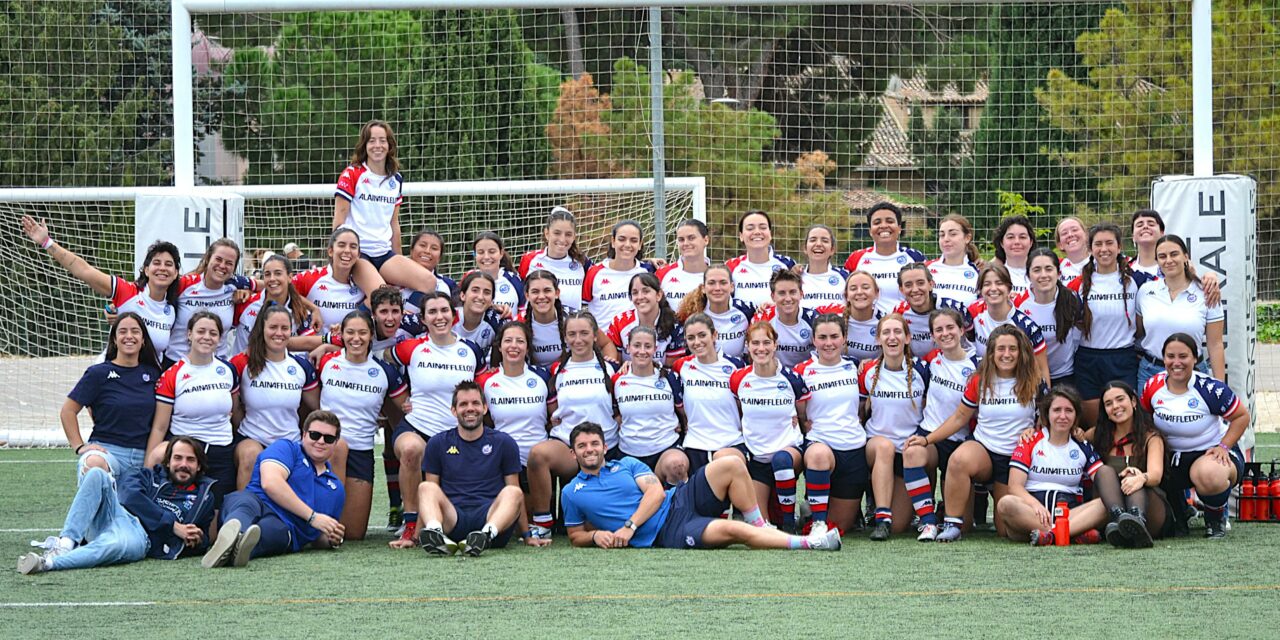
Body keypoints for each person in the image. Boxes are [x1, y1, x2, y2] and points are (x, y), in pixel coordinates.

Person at [560, 423, 842, 551]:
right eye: (582, 446)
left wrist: (629, 526)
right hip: (668, 533)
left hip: (679, 498)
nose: (590, 450)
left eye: (594, 443)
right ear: (573, 453)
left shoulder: (626, 465)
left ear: (604, 446)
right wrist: (595, 535)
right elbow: (575, 535)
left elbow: (656, 492)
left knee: (730, 462)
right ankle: (810, 543)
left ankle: (759, 524)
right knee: (733, 530)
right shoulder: (571, 492)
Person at [912, 325, 1047, 542]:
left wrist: (1035, 430)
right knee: (958, 459)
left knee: (1006, 531)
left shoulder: (1034, 381)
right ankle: (952, 523)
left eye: (1013, 349)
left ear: (1021, 352)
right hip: (983, 449)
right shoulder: (980, 379)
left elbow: (1048, 420)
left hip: (1013, 460)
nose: (1006, 354)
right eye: (1001, 349)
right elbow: (959, 417)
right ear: (991, 352)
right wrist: (927, 439)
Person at [18, 437, 216, 575]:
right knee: (97, 474)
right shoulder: (147, 475)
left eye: (190, 460)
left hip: (140, 537)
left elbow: (204, 537)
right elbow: (128, 497)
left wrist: (197, 540)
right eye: (178, 458)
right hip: (116, 514)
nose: (183, 464)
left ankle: (47, 563)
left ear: (199, 466)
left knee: (113, 545)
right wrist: (172, 525)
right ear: (168, 462)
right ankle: (65, 544)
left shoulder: (203, 497)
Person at [388, 291, 485, 547]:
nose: (439, 316)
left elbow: (482, 385)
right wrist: (402, 397)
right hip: (418, 426)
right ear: (423, 318)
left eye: (444, 310)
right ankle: (410, 525)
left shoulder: (471, 350)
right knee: (411, 449)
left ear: (454, 315)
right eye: (432, 312)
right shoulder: (410, 348)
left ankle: (444, 522)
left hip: (457, 432)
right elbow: (381, 358)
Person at [392, 381, 532, 555]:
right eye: (463, 404)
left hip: (491, 517)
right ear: (453, 410)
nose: (470, 408)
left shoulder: (504, 442)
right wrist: (413, 537)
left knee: (514, 491)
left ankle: (484, 537)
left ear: (485, 408)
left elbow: (516, 497)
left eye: (475, 403)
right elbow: (428, 496)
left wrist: (527, 535)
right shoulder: (438, 443)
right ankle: (436, 535)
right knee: (426, 487)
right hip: (453, 519)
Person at [203, 410, 346, 568]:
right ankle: (234, 537)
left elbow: (318, 535)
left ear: (335, 442)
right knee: (243, 505)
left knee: (272, 532)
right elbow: (270, 483)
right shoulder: (286, 448)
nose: (320, 441)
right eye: (314, 435)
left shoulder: (336, 488)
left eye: (329, 438)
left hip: (286, 525)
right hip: (257, 500)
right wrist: (312, 516)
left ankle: (236, 545)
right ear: (304, 434)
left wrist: (331, 538)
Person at [22, 217, 179, 359]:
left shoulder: (172, 310)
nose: (162, 268)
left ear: (175, 273)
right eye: (156, 263)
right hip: (110, 375)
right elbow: (84, 270)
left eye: (169, 264)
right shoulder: (128, 292)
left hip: (144, 383)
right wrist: (47, 242)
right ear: (146, 269)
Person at [1141, 333, 1249, 539]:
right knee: (1150, 467)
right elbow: (1144, 418)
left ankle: (1215, 520)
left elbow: (1242, 417)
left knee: (1209, 473)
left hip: (1211, 452)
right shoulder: (1152, 386)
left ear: (1195, 358)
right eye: (1170, 356)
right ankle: (1180, 513)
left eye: (1183, 356)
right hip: (1172, 456)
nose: (1176, 362)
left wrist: (1224, 447)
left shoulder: (1209, 388)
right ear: (1163, 359)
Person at [526, 311, 621, 540]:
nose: (578, 339)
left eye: (584, 333)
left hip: (605, 446)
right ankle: (543, 522)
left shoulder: (612, 369)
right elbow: (552, 406)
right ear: (565, 338)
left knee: (591, 525)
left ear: (595, 336)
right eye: (572, 334)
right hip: (567, 444)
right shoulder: (556, 370)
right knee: (538, 454)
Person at [317, 310, 409, 541]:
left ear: (371, 336)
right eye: (350, 332)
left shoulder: (383, 371)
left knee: (354, 534)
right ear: (342, 334)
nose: (356, 338)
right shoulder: (325, 362)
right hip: (325, 449)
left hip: (361, 451)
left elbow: (406, 407)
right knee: (328, 530)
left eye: (362, 333)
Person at [333, 120, 437, 300]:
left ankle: (408, 322)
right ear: (364, 145)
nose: (377, 146)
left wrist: (399, 259)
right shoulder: (352, 174)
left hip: (384, 253)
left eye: (382, 140)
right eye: (372, 140)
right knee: (384, 297)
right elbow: (339, 221)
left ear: (389, 145)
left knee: (429, 282)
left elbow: (393, 224)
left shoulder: (395, 179)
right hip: (359, 253)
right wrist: (339, 256)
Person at [145, 311, 240, 505]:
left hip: (220, 449)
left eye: (213, 333)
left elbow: (235, 411)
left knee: (213, 516)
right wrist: (147, 468)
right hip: (185, 450)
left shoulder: (228, 370)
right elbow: (160, 426)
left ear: (220, 338)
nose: (207, 337)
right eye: (201, 331)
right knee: (178, 507)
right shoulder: (173, 373)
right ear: (189, 334)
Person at [997, 387, 1106, 546]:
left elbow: (1103, 478)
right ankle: (1070, 534)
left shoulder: (1082, 446)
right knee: (1005, 503)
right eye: (1057, 410)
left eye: (1069, 410)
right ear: (1047, 414)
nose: (1062, 416)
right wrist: (1035, 505)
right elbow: (1014, 487)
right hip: (1031, 515)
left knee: (1106, 503)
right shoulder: (1030, 441)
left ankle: (1052, 535)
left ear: (1076, 416)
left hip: (1071, 515)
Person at [1068, 223, 1153, 425]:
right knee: (1095, 424)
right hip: (1088, 360)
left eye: (1109, 243)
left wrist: (1202, 275)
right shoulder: (1077, 284)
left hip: (1123, 358)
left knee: (1125, 421)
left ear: (1119, 247)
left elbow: (1173, 281)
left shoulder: (1137, 279)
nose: (1104, 249)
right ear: (1090, 249)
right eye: (1098, 244)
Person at [61, 312, 163, 479]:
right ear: (114, 340)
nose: (129, 336)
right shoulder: (98, 373)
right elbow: (68, 411)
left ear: (143, 340)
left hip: (146, 456)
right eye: (122, 331)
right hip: (107, 452)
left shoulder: (155, 375)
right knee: (93, 466)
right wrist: (79, 446)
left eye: (135, 331)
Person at [859, 314, 934, 541]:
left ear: (908, 338)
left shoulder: (923, 370)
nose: (892, 338)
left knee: (901, 526)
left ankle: (919, 513)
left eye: (898, 332)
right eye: (886, 333)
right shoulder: (867, 370)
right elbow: (860, 410)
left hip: (908, 451)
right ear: (878, 339)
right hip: (877, 447)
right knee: (884, 447)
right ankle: (882, 517)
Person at [230, 306, 321, 489]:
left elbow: (318, 408)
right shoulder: (241, 363)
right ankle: (243, 514)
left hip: (290, 441)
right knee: (250, 454)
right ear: (261, 329)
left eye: (284, 328)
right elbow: (233, 409)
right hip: (251, 437)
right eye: (273, 327)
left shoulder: (300, 366)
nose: (279, 333)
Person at [730, 322, 808, 532]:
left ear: (775, 345)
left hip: (788, 453)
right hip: (757, 457)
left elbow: (803, 416)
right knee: (761, 527)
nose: (761, 348)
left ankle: (790, 525)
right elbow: (739, 411)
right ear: (747, 346)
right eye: (755, 343)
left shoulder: (792, 379)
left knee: (781, 460)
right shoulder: (738, 379)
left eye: (766, 342)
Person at [796, 313, 866, 536]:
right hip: (821, 443)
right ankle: (816, 519)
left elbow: (864, 404)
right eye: (822, 337)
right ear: (814, 340)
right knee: (817, 455)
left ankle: (813, 509)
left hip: (853, 448)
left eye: (834, 336)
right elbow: (796, 408)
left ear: (844, 338)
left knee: (839, 527)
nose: (828, 343)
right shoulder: (801, 371)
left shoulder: (856, 367)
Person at [1135, 234, 1225, 391]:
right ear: (1157, 261)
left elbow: (1215, 344)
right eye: (1162, 256)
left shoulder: (1207, 292)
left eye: (1174, 254)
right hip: (1151, 372)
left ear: (1186, 257)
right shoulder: (1145, 291)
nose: (1168, 260)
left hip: (1192, 372)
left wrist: (1220, 387)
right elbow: (1138, 331)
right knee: (1148, 417)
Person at [912, 308, 980, 508]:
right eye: (939, 330)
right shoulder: (930, 359)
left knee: (963, 524)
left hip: (958, 441)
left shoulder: (978, 365)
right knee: (914, 452)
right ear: (932, 336)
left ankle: (945, 508)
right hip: (929, 434)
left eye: (950, 327)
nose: (945, 333)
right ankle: (927, 515)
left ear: (961, 330)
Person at [1088, 382, 1167, 548]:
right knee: (1103, 471)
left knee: (1132, 475)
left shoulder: (1150, 437)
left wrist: (1140, 478)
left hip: (1150, 507)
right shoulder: (1099, 434)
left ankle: (1136, 521)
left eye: (1120, 399)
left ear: (1133, 401)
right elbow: (1071, 436)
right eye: (1108, 404)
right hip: (1111, 515)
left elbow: (1156, 474)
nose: (1115, 406)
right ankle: (1121, 521)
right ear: (1105, 411)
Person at [672, 313, 747, 476]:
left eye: (702, 335)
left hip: (731, 442)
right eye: (691, 338)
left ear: (714, 335)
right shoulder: (681, 366)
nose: (697, 342)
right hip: (695, 446)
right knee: (704, 501)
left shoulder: (735, 365)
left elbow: (748, 405)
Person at [612, 327, 689, 485]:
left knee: (677, 466)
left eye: (648, 346)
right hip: (629, 452)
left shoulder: (670, 377)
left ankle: (678, 507)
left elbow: (684, 414)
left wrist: (681, 426)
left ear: (655, 348)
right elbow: (615, 414)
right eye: (636, 345)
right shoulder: (617, 380)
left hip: (665, 447)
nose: (642, 351)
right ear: (628, 348)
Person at [476, 322, 552, 469]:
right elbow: (484, 421)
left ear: (528, 347)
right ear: (499, 346)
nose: (514, 346)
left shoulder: (543, 376)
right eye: (508, 340)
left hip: (539, 459)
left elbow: (554, 418)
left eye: (520, 341)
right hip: (501, 458)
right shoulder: (485, 381)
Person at [969, 263, 1050, 385]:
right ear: (980, 290)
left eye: (999, 283)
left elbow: (1042, 370)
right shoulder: (973, 312)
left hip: (1017, 387)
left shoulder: (1026, 326)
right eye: (987, 284)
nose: (993, 288)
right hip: (984, 384)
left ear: (1009, 288)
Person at [842, 202, 927, 313]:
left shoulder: (914, 257)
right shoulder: (856, 258)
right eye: (877, 222)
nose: (883, 226)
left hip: (907, 326)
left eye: (890, 221)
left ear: (899, 228)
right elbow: (846, 296)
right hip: (869, 327)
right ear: (870, 231)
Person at [1018, 249, 1083, 388]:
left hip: (1066, 375)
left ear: (1058, 273)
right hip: (1032, 376)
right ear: (1028, 276)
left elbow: (1081, 332)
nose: (1043, 275)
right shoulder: (1019, 304)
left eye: (1049, 269)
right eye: (1036, 270)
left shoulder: (1072, 299)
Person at [231, 253, 318, 355]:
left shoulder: (300, 310)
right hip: (243, 368)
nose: (272, 278)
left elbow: (310, 343)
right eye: (267, 274)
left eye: (278, 273)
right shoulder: (245, 302)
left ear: (290, 277)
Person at [753, 269, 831, 369]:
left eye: (793, 292)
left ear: (801, 294)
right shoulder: (763, 318)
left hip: (805, 375)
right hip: (773, 375)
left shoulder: (814, 320)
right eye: (782, 293)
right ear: (773, 297)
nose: (788, 298)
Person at [518, 206, 593, 311]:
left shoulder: (583, 262)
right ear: (547, 233)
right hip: (536, 325)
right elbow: (521, 295)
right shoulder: (529, 259)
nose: (562, 239)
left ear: (574, 236)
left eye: (568, 234)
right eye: (557, 233)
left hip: (570, 326)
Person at [292, 227, 367, 332]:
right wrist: (313, 308)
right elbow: (283, 290)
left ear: (358, 254)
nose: (347, 250)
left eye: (353, 247)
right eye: (341, 245)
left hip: (350, 346)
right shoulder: (311, 277)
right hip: (312, 347)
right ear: (331, 251)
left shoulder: (365, 285)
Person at [676, 264, 755, 359]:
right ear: (703, 288)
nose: (717, 288)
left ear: (732, 287)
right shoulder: (692, 313)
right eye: (711, 283)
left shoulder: (747, 310)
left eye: (723, 282)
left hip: (736, 370)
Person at [583, 220, 656, 323]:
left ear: (640, 244)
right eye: (622, 239)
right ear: (613, 242)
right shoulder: (594, 273)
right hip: (602, 338)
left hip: (638, 338)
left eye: (633, 240)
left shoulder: (648, 271)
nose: (627, 244)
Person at [892, 262, 971, 357]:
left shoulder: (953, 307)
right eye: (908, 285)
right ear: (901, 290)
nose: (915, 289)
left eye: (920, 283)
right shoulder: (899, 313)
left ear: (931, 284)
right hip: (921, 367)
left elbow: (972, 337)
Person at [606, 272, 685, 366]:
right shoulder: (619, 322)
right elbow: (616, 366)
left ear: (658, 295)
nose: (640, 297)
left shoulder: (675, 324)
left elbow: (672, 369)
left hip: (661, 378)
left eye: (646, 291)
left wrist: (636, 368)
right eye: (635, 293)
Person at [727, 210, 796, 308]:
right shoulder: (731, 266)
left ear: (770, 234)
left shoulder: (787, 264)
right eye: (750, 228)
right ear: (741, 236)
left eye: (763, 227)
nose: (757, 232)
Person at [928, 214, 981, 306]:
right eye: (942, 235)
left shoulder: (979, 272)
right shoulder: (926, 268)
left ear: (967, 238)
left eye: (953, 234)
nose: (946, 239)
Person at [657, 219, 711, 309]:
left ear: (706, 240)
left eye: (691, 238)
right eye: (681, 239)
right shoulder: (663, 274)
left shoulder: (718, 276)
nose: (686, 243)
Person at [518, 270, 568, 366]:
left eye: (547, 290)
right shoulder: (518, 323)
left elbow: (605, 344)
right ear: (527, 296)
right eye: (535, 292)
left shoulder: (573, 318)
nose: (541, 296)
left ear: (557, 293)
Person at [470, 231, 525, 314]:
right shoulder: (468, 278)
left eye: (492, 252)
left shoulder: (514, 280)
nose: (486, 257)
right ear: (475, 255)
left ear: (501, 253)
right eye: (481, 252)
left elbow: (524, 314)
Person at [403, 229, 457, 312]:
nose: (427, 251)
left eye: (434, 248)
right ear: (411, 250)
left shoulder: (448, 285)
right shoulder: (392, 279)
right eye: (422, 245)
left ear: (440, 257)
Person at [798, 224, 849, 310]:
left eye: (825, 241)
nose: (818, 244)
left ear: (832, 250)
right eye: (813, 240)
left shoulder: (845, 277)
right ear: (805, 248)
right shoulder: (796, 277)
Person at [453, 271, 504, 352]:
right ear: (463, 295)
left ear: (492, 300)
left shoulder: (497, 322)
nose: (480, 297)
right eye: (475, 290)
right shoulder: (449, 318)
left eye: (487, 292)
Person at [840, 270, 883, 362]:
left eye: (865, 287)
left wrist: (872, 364)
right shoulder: (836, 321)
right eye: (853, 288)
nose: (859, 292)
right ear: (846, 295)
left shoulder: (885, 323)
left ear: (876, 293)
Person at [991, 215, 1037, 298]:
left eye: (1022, 237)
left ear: (1031, 242)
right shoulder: (993, 275)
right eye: (1010, 237)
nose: (1017, 242)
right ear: (1002, 243)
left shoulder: (1041, 274)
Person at [1054, 217, 1090, 283]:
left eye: (1075, 230)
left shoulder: (1100, 263)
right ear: (1060, 245)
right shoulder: (1055, 268)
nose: (1070, 235)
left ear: (1086, 235)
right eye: (1064, 233)